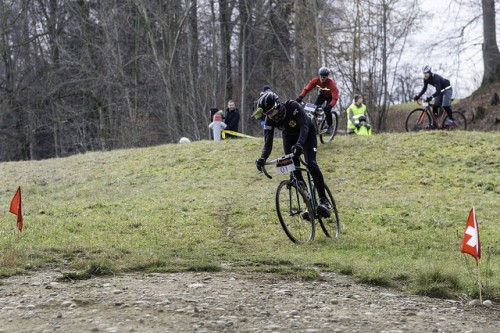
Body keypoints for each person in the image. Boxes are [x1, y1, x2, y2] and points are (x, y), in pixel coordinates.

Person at [255, 92, 332, 217]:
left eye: (269, 112)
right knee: (295, 173)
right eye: (266, 114)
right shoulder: (269, 119)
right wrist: (262, 158)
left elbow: (304, 127)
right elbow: (268, 144)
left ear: (276, 105)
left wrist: (300, 144)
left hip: (306, 134)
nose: (269, 116)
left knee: (311, 164)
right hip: (289, 138)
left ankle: (324, 201)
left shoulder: (292, 106)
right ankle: (309, 205)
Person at [296, 67, 339, 135]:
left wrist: (330, 106)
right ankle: (315, 124)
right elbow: (306, 89)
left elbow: (335, 98)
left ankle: (329, 126)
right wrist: (300, 97)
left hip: (331, 97)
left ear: (327, 77)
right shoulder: (316, 80)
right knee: (313, 108)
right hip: (322, 95)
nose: (322, 78)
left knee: (327, 110)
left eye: (324, 77)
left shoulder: (331, 84)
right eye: (321, 76)